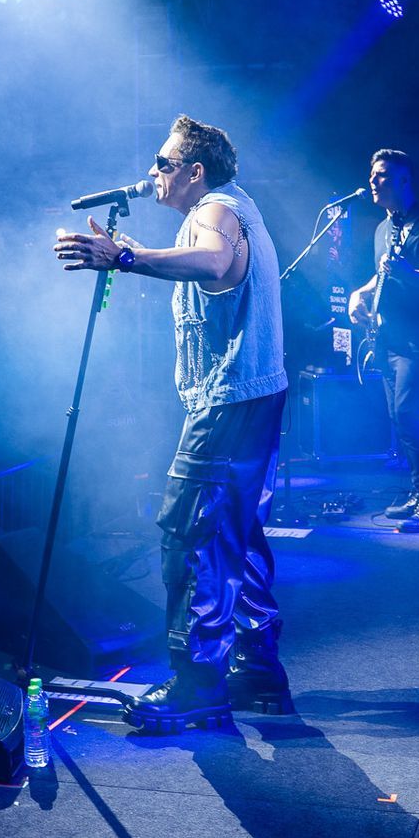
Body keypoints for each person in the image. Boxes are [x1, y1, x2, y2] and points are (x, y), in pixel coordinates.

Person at [54, 114, 291, 729]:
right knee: (237, 533)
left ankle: (197, 683)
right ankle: (256, 668)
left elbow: (213, 262)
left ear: (195, 171)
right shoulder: (239, 204)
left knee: (191, 539)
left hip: (227, 401)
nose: (153, 173)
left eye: (163, 164)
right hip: (256, 397)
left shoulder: (212, 211)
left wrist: (124, 255)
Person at [347, 149, 419, 532]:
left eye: (382, 176)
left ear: (404, 181)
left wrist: (410, 273)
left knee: (411, 414)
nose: (373, 182)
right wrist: (357, 295)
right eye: (372, 174)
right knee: (399, 418)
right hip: (388, 340)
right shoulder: (383, 229)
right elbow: (382, 276)